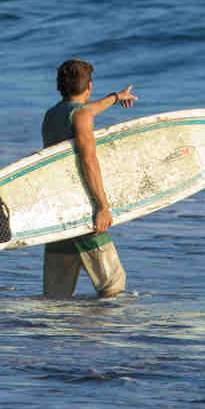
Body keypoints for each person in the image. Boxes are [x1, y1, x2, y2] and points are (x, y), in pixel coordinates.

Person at [40, 58, 137, 299]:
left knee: (56, 294)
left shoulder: (52, 115)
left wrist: (115, 97)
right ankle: (100, 334)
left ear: (59, 87)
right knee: (112, 284)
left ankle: (53, 336)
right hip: (81, 206)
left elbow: (84, 111)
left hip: (58, 208)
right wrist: (102, 207)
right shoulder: (81, 116)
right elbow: (89, 162)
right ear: (89, 86)